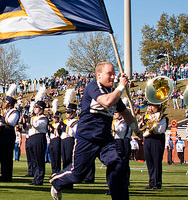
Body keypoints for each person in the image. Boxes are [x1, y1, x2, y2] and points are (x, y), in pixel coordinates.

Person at [50, 62, 138, 200]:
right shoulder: (93, 87)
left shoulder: (113, 93)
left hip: (105, 140)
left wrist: (135, 129)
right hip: (87, 138)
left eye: (114, 74)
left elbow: (126, 113)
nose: (113, 77)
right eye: (110, 74)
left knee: (118, 164)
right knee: (78, 174)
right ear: (99, 75)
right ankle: (57, 182)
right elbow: (107, 101)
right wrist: (121, 86)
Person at [0, 85, 20, 182]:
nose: (4, 103)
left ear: (9, 103)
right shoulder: (4, 111)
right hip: (1, 132)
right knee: (1, 155)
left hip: (8, 132)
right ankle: (3, 174)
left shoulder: (15, 112)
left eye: (5, 102)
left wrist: (0, 116)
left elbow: (11, 122)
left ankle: (8, 175)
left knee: (7, 155)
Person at [141, 103, 167, 189]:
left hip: (157, 139)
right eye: (150, 106)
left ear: (158, 107)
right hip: (147, 139)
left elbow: (160, 130)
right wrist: (143, 123)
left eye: (152, 106)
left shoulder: (162, 118)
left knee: (156, 161)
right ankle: (151, 181)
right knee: (149, 161)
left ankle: (157, 182)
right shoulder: (147, 117)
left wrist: (150, 126)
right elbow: (141, 128)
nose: (150, 108)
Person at [27, 100, 48, 186]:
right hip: (32, 138)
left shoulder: (43, 118)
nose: (35, 109)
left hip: (39, 137)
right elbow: (28, 127)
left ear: (41, 109)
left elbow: (37, 125)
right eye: (35, 107)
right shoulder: (34, 117)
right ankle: (35, 178)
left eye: (36, 108)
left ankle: (39, 179)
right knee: (33, 160)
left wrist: (30, 119)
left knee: (39, 159)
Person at [112, 111, 131, 185]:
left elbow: (121, 131)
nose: (115, 114)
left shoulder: (125, 122)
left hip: (123, 142)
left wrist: (112, 128)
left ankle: (125, 179)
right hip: (116, 141)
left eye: (116, 112)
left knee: (124, 162)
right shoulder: (115, 122)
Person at [61, 103, 79, 170]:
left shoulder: (75, 122)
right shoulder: (65, 121)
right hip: (63, 140)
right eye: (66, 112)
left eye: (68, 112)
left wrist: (64, 126)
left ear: (73, 113)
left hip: (70, 140)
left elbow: (72, 133)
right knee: (64, 158)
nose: (66, 114)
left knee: (69, 157)